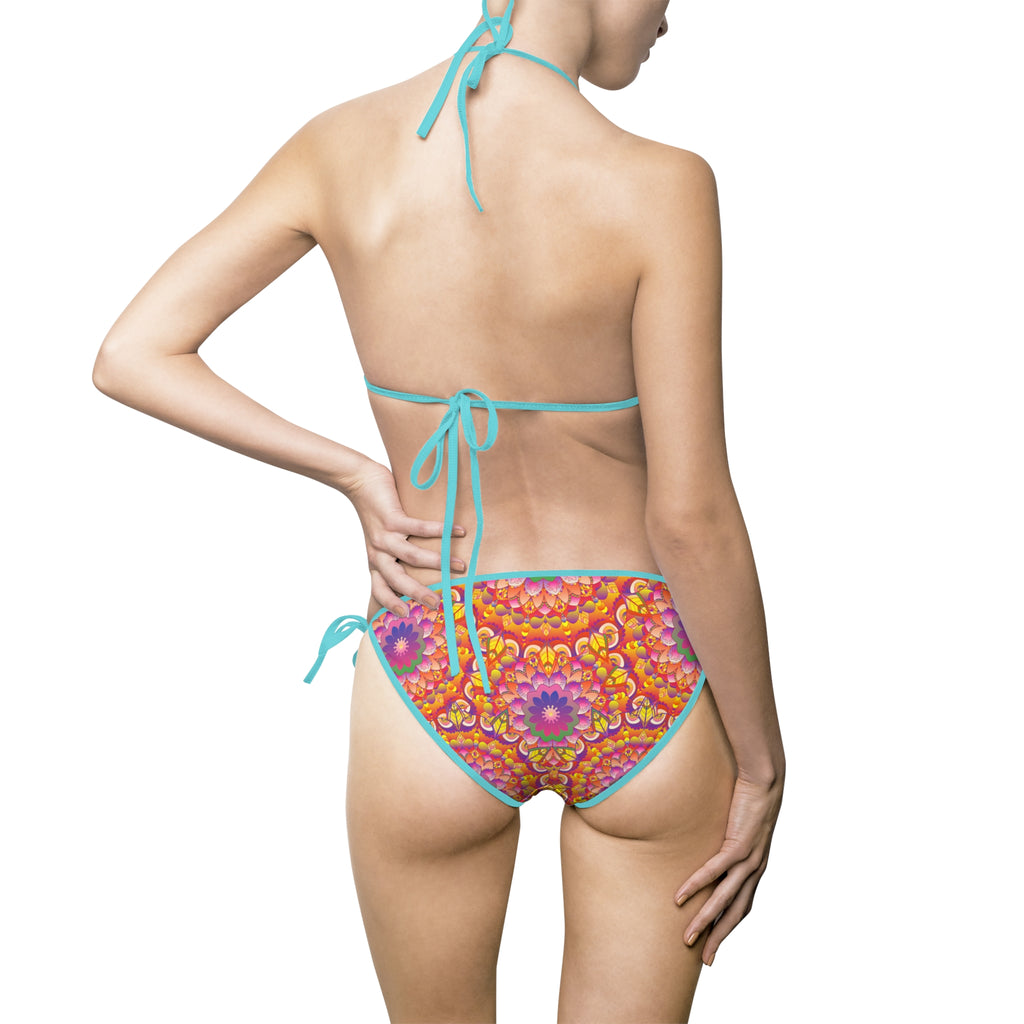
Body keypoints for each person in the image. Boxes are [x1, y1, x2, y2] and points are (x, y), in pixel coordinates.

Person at [92, 0, 785, 1019]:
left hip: (436, 652)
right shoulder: (663, 183)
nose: (669, 17)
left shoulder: (339, 147)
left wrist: (358, 475)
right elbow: (691, 519)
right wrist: (762, 763)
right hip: (640, 664)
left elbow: (132, 353)